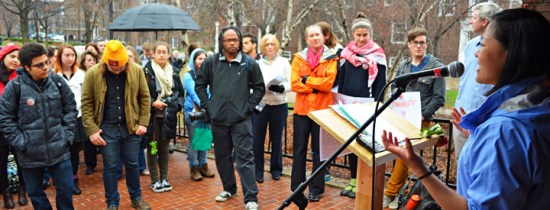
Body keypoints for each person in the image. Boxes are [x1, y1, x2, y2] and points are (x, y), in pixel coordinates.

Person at [383, 8, 550, 209]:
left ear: (512, 54)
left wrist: (420, 168)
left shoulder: (504, 132)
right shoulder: (536, 108)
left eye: (484, 44)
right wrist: (479, 139)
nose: (477, 52)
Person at [195, 25, 265, 210]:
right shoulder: (211, 62)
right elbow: (200, 85)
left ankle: (251, 198)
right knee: (221, 157)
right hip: (218, 119)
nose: (233, 43)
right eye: (229, 40)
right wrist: (208, 106)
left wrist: (248, 107)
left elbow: (259, 87)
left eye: (235, 40)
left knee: (245, 159)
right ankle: (229, 188)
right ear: (222, 42)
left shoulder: (249, 63)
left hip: (241, 120)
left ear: (240, 42)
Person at [0, 42, 77, 210]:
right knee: (35, 192)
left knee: (66, 188)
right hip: (30, 153)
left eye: (47, 62)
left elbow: (71, 108)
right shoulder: (15, 88)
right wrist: (22, 143)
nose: (45, 67)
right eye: (39, 65)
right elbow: (5, 119)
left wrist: (67, 135)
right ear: (27, 67)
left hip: (59, 148)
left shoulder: (57, 81)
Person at [81, 40, 151, 210]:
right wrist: (91, 130)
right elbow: (86, 103)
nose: (118, 70)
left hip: (131, 128)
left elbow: (144, 97)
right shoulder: (93, 73)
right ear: (105, 62)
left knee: (133, 165)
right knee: (111, 168)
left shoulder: (136, 70)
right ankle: (112, 202)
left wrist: (143, 122)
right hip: (107, 129)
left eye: (121, 67)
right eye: (114, 68)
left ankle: (136, 198)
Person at [383, 27, 446, 209]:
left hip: (421, 121)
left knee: (405, 157)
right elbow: (395, 87)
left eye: (422, 43)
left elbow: (439, 97)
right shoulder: (404, 66)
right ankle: (399, 194)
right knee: (399, 156)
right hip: (401, 118)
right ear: (409, 45)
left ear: (426, 44)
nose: (419, 46)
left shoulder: (436, 66)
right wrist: (397, 101)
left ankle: (390, 193)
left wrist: (423, 114)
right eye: (415, 43)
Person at [337, 13, 387, 199]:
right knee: (351, 145)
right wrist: (339, 100)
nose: (361, 38)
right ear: (353, 35)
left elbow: (381, 82)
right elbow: (341, 79)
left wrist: (376, 105)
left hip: (367, 106)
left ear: (370, 34)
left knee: (365, 144)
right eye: (358, 35)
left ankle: (363, 183)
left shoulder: (378, 54)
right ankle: (352, 180)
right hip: (347, 105)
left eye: (365, 35)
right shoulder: (346, 53)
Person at [290, 24, 338, 202]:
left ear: (324, 36)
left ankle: (316, 189)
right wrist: (315, 87)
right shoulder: (298, 58)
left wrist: (307, 80)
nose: (315, 38)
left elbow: (328, 83)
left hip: (322, 111)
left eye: (317, 34)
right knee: (299, 150)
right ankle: (297, 186)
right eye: (311, 35)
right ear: (306, 39)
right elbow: (295, 84)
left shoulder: (331, 58)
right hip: (302, 111)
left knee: (319, 152)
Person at [453, 2, 502, 160]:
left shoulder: (501, 48)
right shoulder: (470, 45)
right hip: (461, 118)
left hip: (484, 119)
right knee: (462, 166)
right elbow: (466, 80)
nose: (470, 21)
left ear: (485, 21)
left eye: (474, 17)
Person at [142, 41, 184, 193]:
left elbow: (179, 92)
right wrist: (153, 102)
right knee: (153, 149)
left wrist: (176, 105)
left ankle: (164, 178)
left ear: (168, 54)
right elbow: (141, 94)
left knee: (164, 149)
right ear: (153, 54)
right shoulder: (146, 71)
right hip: (152, 118)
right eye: (158, 52)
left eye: (164, 52)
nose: (161, 54)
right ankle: (154, 180)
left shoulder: (173, 71)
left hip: (168, 117)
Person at [252, 34, 291, 183]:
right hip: (261, 104)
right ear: (263, 47)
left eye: (272, 44)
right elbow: (251, 83)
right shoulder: (257, 63)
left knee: (276, 138)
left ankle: (276, 169)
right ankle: (258, 171)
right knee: (257, 139)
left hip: (279, 104)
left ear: (276, 46)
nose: (269, 47)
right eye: (266, 44)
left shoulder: (284, 62)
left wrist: (282, 88)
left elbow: (291, 82)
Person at [53, 44, 86, 196]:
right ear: (60, 56)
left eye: (72, 55)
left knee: (74, 151)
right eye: (66, 55)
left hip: (77, 117)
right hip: (59, 119)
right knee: (61, 151)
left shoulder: (81, 74)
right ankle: (61, 179)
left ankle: (73, 179)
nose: (70, 58)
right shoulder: (53, 75)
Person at [0, 44, 28, 208]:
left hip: (19, 126)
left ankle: (23, 191)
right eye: (12, 56)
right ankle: (6, 195)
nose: (15, 60)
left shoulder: (21, 77)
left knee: (21, 160)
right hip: (1, 128)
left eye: (18, 57)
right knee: (1, 162)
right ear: (3, 58)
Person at [182, 48, 216, 181]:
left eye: (204, 58)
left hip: (207, 110)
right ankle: (194, 167)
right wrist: (207, 106)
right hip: (194, 112)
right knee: (194, 141)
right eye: (199, 58)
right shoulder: (188, 76)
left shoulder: (210, 74)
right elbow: (195, 94)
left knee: (205, 138)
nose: (202, 61)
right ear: (194, 60)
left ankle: (203, 165)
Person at [126, 45, 149, 176]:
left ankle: (143, 165)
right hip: (129, 115)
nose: (128, 59)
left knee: (146, 143)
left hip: (142, 114)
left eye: (130, 56)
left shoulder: (141, 71)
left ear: (135, 57)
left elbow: (145, 94)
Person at [78, 50, 100, 176]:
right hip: (85, 111)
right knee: (88, 140)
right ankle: (90, 164)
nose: (92, 63)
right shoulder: (80, 75)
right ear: (84, 63)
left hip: (98, 110)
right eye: (89, 60)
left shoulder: (99, 74)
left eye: (93, 60)